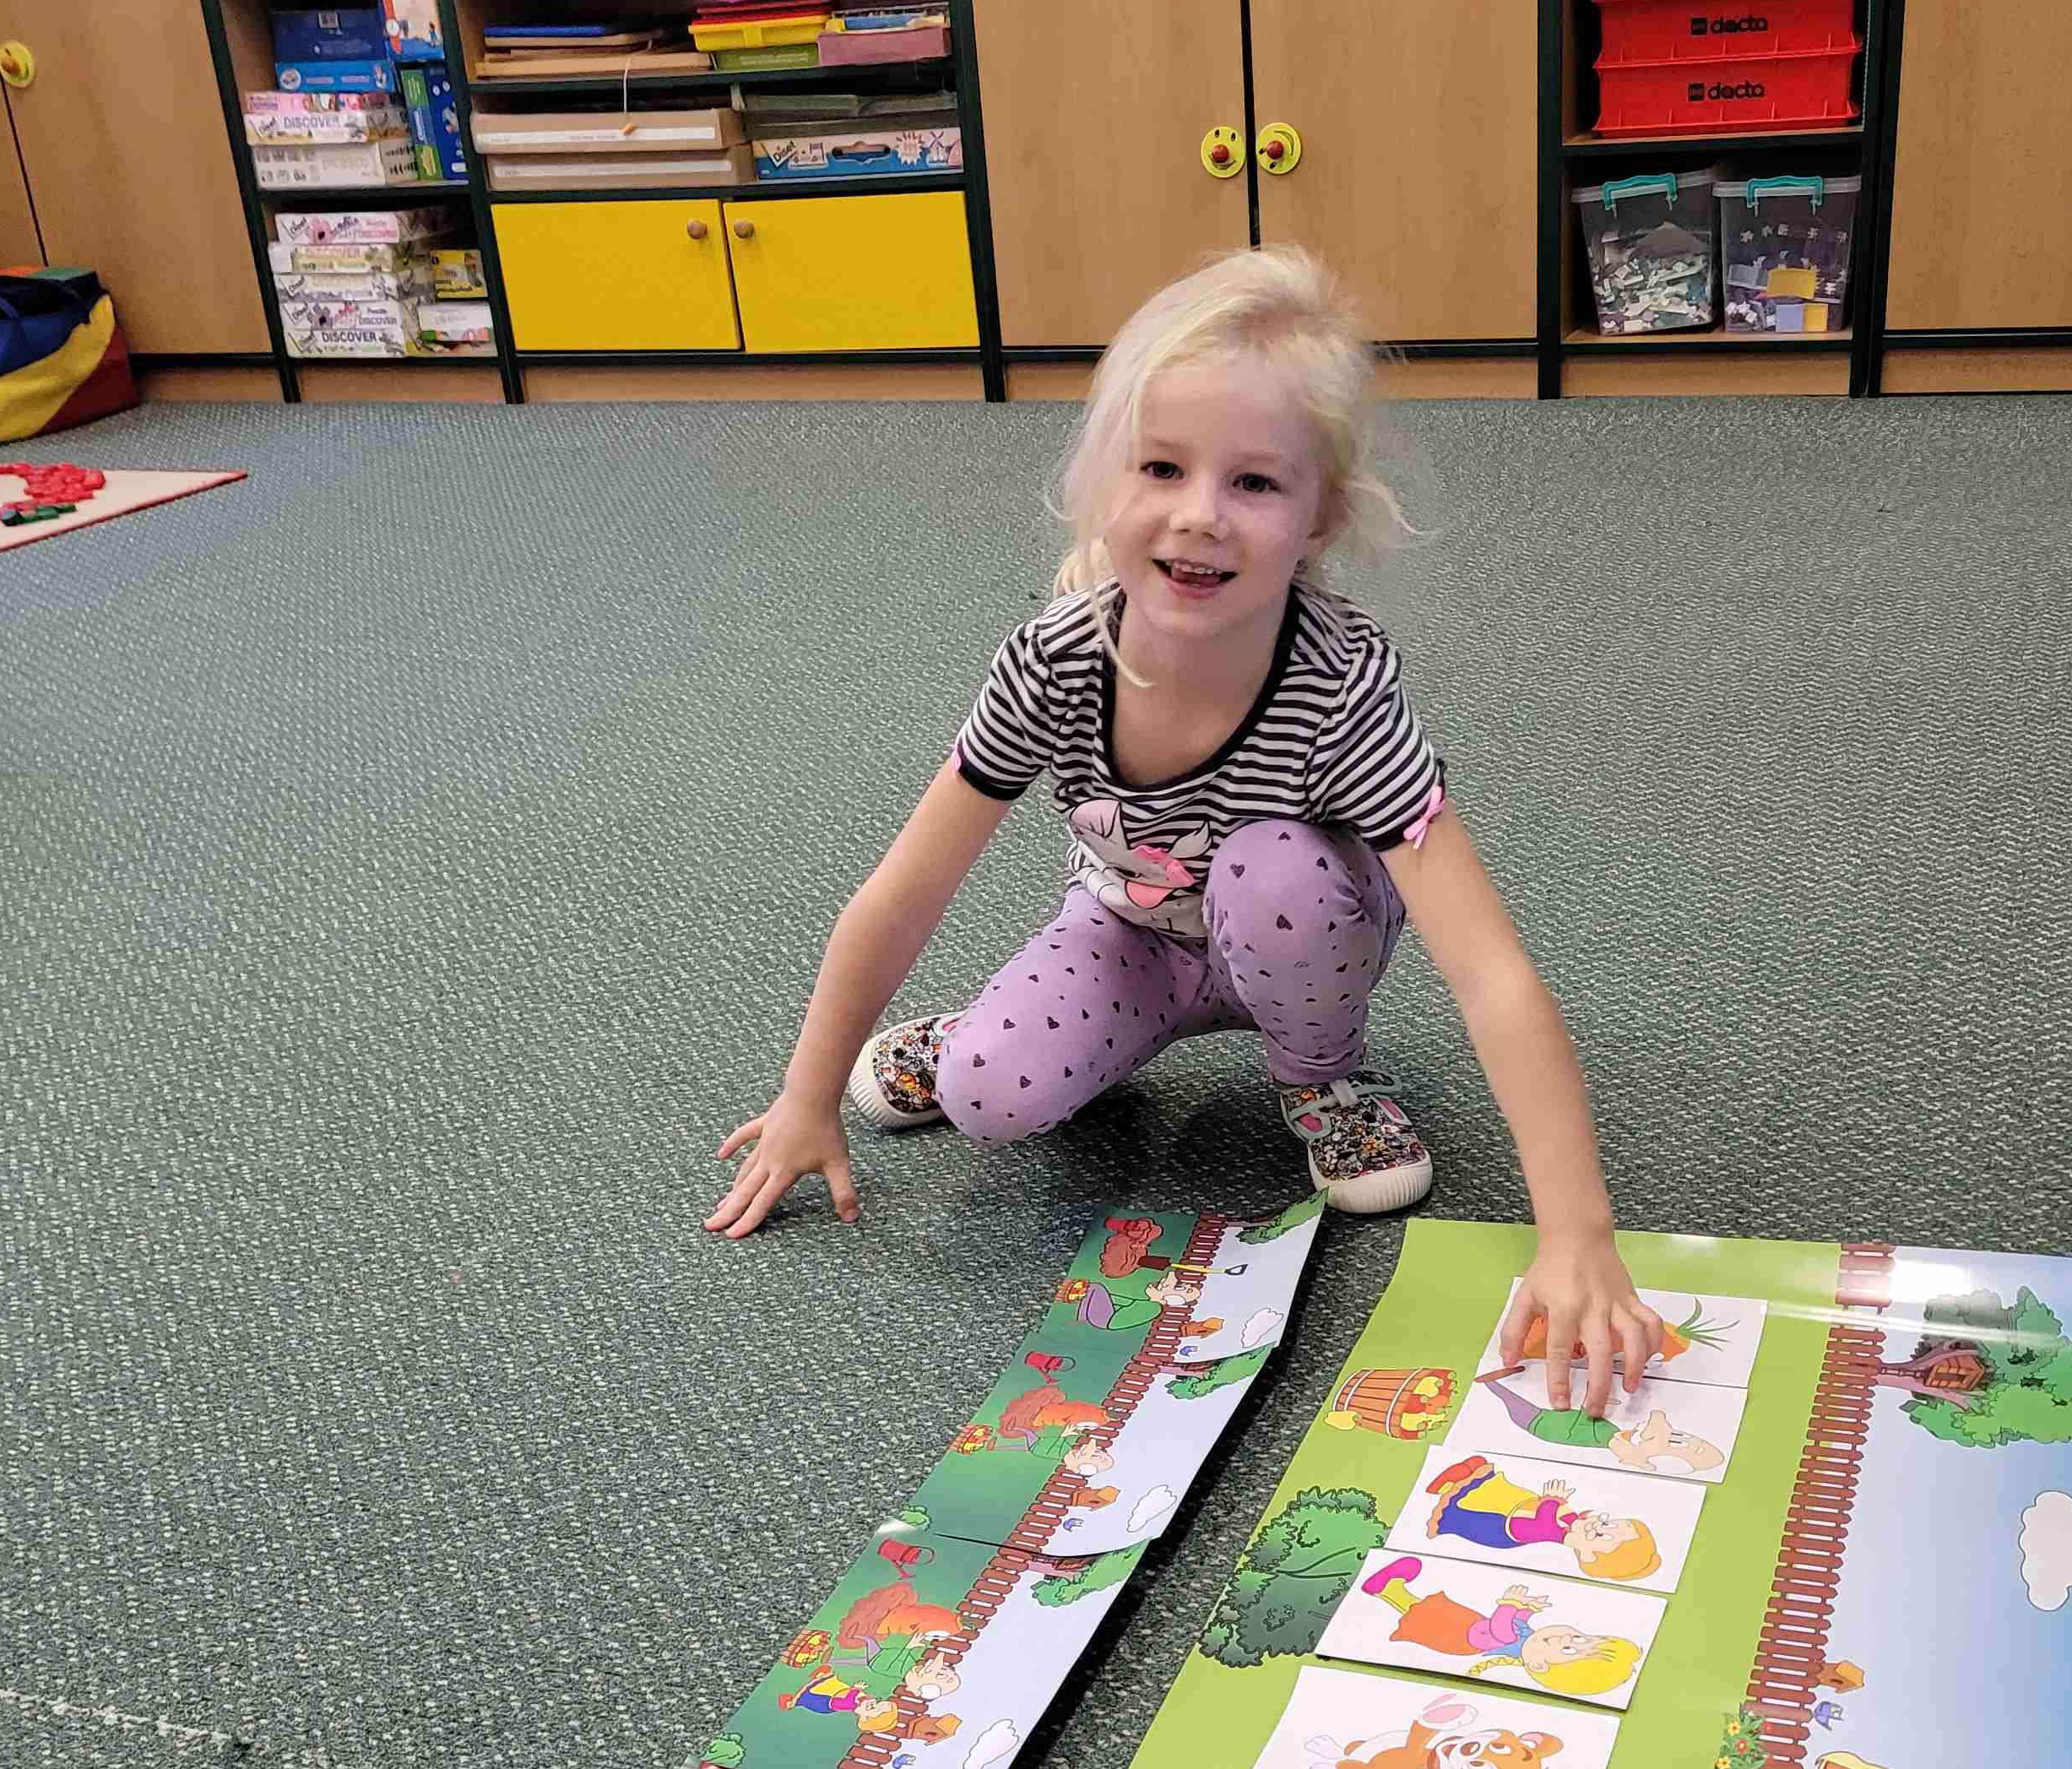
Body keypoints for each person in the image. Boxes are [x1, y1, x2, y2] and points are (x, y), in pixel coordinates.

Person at [708, 247, 1654, 1398]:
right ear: (1102, 480)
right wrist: (805, 1096)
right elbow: (907, 888)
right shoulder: (1055, 660)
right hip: (1136, 940)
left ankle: (1321, 1081)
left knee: (1275, 868)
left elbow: (1489, 968)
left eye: (1255, 483)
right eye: (1161, 466)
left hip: (1298, 939)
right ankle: (973, 1036)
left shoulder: (1342, 681)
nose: (1200, 516)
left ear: (1321, 515)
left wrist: (1578, 1236)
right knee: (987, 1096)